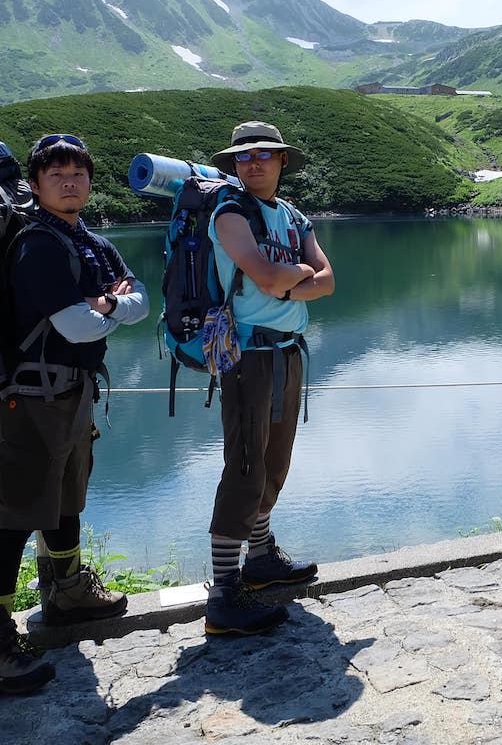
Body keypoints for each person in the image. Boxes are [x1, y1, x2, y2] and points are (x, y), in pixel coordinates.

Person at [0, 133, 149, 694]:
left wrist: (109, 307)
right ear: (35, 185)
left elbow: (142, 304)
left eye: (78, 173)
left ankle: (67, 593)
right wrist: (109, 309)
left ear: (90, 182)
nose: (70, 182)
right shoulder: (39, 245)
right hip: (35, 398)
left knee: (67, 500)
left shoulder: (89, 240)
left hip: (73, 393)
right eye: (57, 175)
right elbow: (76, 326)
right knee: (16, 518)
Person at [203, 120, 335, 635]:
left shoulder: (293, 216)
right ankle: (223, 593)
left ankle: (259, 559)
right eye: (244, 156)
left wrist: (290, 282)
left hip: (287, 352)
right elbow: (266, 274)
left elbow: (327, 282)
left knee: (275, 460)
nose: (253, 162)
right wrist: (294, 279)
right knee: (244, 466)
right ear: (234, 164)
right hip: (247, 354)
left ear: (283, 161)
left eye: (265, 154)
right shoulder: (229, 211)